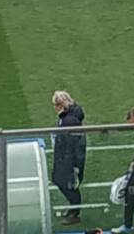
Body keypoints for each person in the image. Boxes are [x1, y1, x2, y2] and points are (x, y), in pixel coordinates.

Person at [52, 90, 87, 226]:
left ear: (60, 105)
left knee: (68, 184)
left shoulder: (69, 120)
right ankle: (73, 209)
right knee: (60, 180)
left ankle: (75, 212)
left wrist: (74, 163)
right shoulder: (67, 118)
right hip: (64, 157)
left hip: (68, 159)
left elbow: (74, 144)